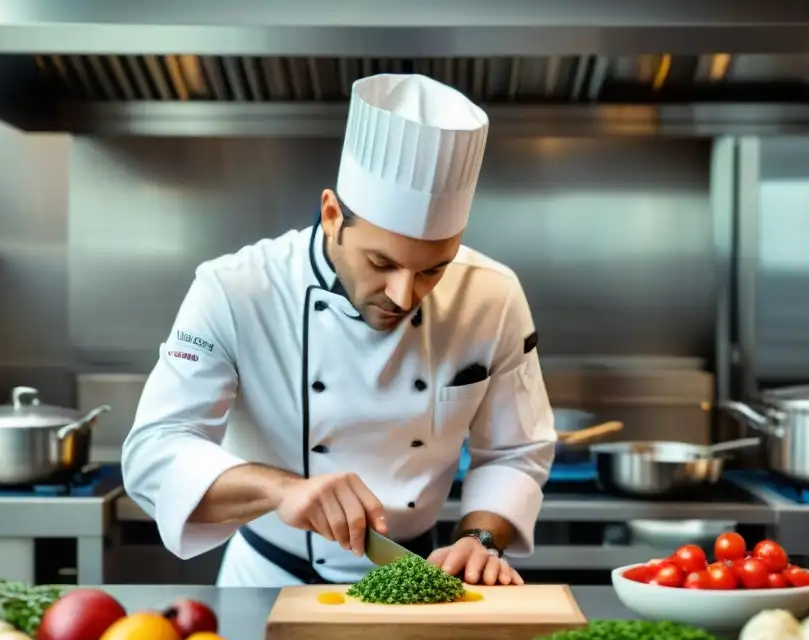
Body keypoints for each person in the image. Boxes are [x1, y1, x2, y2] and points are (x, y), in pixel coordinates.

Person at [121, 73, 556, 588]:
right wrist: (280, 490)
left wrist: (479, 539)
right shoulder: (236, 289)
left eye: (433, 269)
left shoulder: (493, 295)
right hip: (266, 586)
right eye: (380, 262)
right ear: (332, 215)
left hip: (415, 584)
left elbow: (515, 451)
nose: (403, 294)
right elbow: (154, 452)